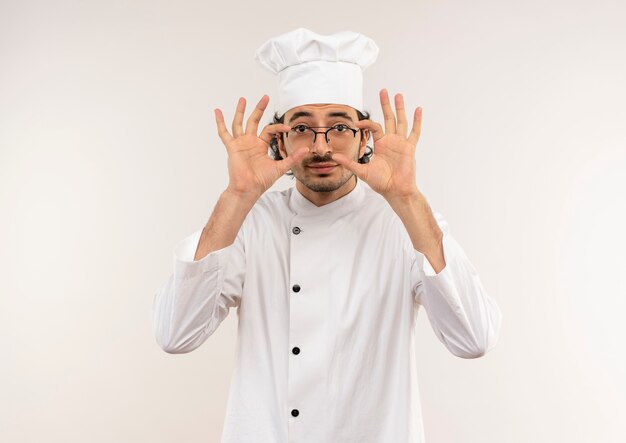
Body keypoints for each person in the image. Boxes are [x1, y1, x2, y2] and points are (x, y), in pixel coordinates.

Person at [153, 28, 502, 443]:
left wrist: (407, 198)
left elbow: (474, 339)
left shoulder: (402, 222)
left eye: (339, 127)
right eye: (302, 128)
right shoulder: (251, 222)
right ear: (279, 141)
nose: (322, 147)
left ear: (364, 138)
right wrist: (236, 196)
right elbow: (175, 335)